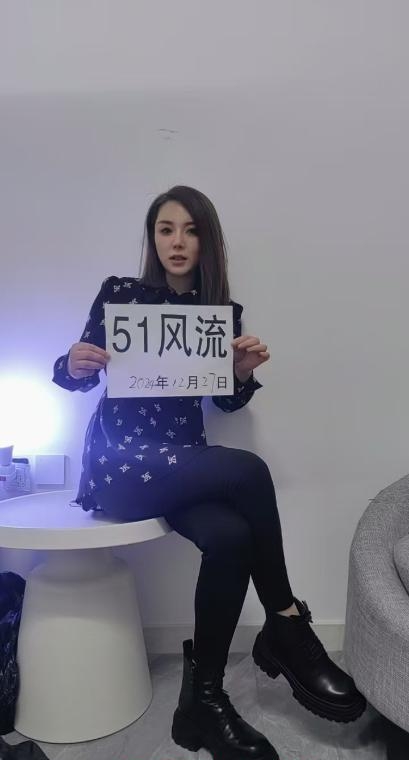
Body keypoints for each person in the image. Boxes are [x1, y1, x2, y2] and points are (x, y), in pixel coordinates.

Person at [53, 185, 365, 760]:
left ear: (207, 242)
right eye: (166, 229)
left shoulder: (218, 315)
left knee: (232, 536)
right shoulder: (121, 296)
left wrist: (240, 372)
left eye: (191, 230)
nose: (178, 242)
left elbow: (224, 402)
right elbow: (76, 375)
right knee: (248, 470)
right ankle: (286, 623)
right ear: (153, 238)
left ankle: (203, 700)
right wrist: (72, 363)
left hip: (181, 465)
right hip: (123, 464)